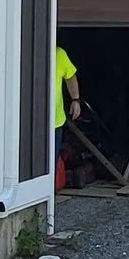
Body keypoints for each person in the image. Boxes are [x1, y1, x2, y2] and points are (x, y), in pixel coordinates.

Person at [53, 44, 81, 180]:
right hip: (30, 120)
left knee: (52, 160)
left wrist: (75, 100)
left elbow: (70, 76)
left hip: (55, 121)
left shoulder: (59, 54)